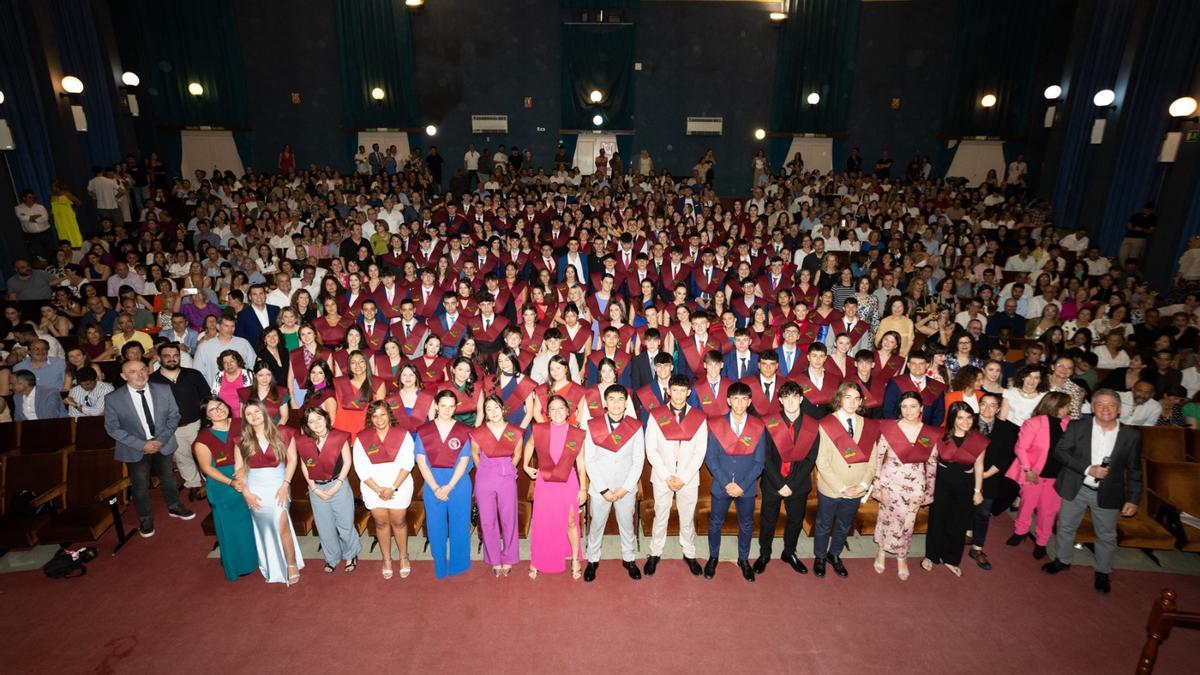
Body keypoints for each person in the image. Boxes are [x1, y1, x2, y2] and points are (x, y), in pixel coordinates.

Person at [1043, 389, 1143, 595]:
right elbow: (1060, 452)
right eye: (1100, 404)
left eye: (1111, 405)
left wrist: (1133, 499)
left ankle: (1103, 571)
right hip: (1076, 486)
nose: (1105, 409)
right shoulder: (1078, 427)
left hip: (1108, 492)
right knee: (1065, 526)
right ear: (1093, 408)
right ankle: (1062, 560)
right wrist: (1088, 469)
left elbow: (1134, 469)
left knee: (1106, 535)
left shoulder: (1131, 435)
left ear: (1119, 409)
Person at [104, 359, 194, 537]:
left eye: (143, 369)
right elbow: (112, 428)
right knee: (140, 485)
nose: (140, 374)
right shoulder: (113, 399)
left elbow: (174, 416)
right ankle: (145, 517)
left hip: (163, 443)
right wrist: (142, 444)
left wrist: (160, 440)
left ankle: (174, 506)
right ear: (123, 376)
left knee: (168, 478)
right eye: (133, 371)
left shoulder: (163, 389)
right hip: (135, 448)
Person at [813, 381, 881, 578]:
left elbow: (873, 458)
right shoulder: (826, 424)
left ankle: (834, 554)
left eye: (856, 398)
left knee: (844, 524)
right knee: (824, 524)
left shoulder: (868, 425)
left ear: (861, 402)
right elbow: (822, 461)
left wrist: (862, 484)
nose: (852, 402)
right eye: (848, 397)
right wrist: (842, 487)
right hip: (832, 487)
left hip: (856, 487)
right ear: (839, 398)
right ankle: (819, 557)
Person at [643, 374, 708, 576]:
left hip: (687, 478)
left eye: (683, 391)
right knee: (660, 516)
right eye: (675, 390)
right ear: (668, 391)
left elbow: (700, 451)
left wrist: (683, 477)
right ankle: (655, 552)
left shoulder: (698, 417)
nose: (678, 395)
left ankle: (689, 553)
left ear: (689, 392)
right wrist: (667, 475)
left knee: (687, 518)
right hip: (663, 476)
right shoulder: (657, 415)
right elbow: (651, 449)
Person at [754, 381, 820, 576]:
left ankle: (789, 552)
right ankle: (764, 553)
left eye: (794, 398)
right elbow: (764, 456)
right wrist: (780, 483)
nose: (791, 402)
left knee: (795, 520)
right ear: (780, 400)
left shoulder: (811, 426)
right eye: (786, 398)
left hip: (798, 485)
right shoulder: (770, 423)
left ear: (801, 399)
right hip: (773, 482)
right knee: (768, 520)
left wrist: (790, 484)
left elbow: (810, 459)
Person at [703, 382, 766, 582]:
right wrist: (725, 483)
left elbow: (759, 462)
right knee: (715, 523)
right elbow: (710, 459)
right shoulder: (716, 424)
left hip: (745, 488)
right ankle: (713, 557)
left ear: (749, 402)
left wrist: (742, 486)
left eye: (744, 399)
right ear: (728, 400)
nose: (739, 403)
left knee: (746, 524)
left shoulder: (758, 426)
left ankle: (743, 559)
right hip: (721, 486)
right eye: (735, 398)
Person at [872, 392, 939, 579]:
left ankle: (902, 556)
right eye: (904, 406)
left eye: (913, 406)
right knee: (886, 518)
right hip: (889, 482)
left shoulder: (930, 433)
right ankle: (882, 552)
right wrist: (876, 485)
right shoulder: (890, 429)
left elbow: (932, 464)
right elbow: (878, 457)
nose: (909, 411)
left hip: (916, 485)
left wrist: (929, 491)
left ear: (921, 409)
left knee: (907, 524)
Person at [235, 401, 302, 585]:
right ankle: (272, 564)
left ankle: (291, 563)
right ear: (245, 418)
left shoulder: (284, 432)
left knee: (282, 525)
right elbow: (239, 470)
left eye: (257, 411)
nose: (254, 416)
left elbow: (292, 459)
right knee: (266, 529)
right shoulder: (242, 440)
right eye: (249, 414)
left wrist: (285, 485)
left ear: (264, 412)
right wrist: (246, 493)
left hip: (279, 483)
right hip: (255, 487)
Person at [582, 384, 645, 582]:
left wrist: (625, 488)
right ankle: (592, 560)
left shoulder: (635, 426)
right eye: (612, 399)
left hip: (625, 487)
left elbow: (638, 459)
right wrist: (603, 488)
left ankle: (629, 558)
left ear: (626, 403)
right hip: (601, 488)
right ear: (604, 403)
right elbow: (589, 459)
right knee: (596, 525)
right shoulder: (593, 425)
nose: (616, 403)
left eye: (620, 399)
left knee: (627, 524)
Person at [191, 398, 258, 580]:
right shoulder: (203, 439)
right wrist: (231, 482)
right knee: (234, 527)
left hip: (249, 474)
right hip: (223, 484)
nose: (218, 410)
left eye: (220, 405)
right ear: (206, 416)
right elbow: (207, 468)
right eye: (212, 409)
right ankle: (239, 564)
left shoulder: (242, 423)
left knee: (252, 523)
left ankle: (258, 557)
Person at [922, 402, 990, 577]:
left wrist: (978, 490)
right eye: (960, 417)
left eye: (969, 417)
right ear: (953, 418)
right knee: (937, 519)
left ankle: (951, 559)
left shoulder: (978, 439)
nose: (966, 422)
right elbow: (930, 461)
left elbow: (980, 466)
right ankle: (931, 556)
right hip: (942, 481)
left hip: (965, 483)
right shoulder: (940, 435)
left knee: (959, 522)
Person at [525, 395, 588, 579]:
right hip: (545, 482)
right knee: (543, 521)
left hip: (568, 481)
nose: (557, 412)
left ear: (568, 411)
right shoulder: (540, 429)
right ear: (547, 413)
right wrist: (526, 465)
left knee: (570, 520)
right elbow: (529, 445)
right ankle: (537, 559)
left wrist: (583, 488)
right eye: (552, 408)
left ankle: (575, 558)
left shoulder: (576, 433)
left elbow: (581, 462)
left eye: (561, 408)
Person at [414, 390, 474, 579]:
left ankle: (459, 563)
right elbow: (421, 462)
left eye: (451, 406)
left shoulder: (464, 430)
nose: (447, 410)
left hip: (458, 483)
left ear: (456, 407)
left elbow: (464, 461)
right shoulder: (424, 430)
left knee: (460, 524)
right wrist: (435, 488)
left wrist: (448, 487)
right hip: (433, 483)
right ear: (436, 406)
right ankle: (440, 563)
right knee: (435, 526)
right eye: (443, 405)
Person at [1005, 392, 1073, 559]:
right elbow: (1021, 448)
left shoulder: (1070, 424)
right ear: (1055, 407)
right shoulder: (1034, 423)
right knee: (1027, 505)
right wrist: (1028, 470)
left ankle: (1042, 542)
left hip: (1056, 475)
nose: (1069, 409)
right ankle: (1020, 532)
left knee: (1048, 511)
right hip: (1033, 473)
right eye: (1066, 406)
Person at [353, 400, 416, 580]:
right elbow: (361, 468)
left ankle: (404, 557)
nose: (379, 419)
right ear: (370, 419)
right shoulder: (362, 438)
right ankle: (387, 559)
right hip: (373, 488)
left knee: (399, 522)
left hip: (399, 485)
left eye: (382, 414)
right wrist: (379, 489)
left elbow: (407, 463)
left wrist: (393, 488)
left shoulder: (403, 435)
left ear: (389, 415)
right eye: (374, 416)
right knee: (380, 523)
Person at [296, 406, 359, 575]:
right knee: (325, 527)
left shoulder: (339, 437)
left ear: (326, 418)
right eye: (311, 421)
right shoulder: (304, 442)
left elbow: (347, 462)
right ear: (307, 425)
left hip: (338, 485)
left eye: (319, 419)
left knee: (345, 525)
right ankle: (332, 558)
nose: (316, 424)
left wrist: (338, 483)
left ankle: (351, 555)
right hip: (317, 488)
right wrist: (314, 488)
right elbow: (304, 466)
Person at [149, 343, 210, 501]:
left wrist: (207, 421)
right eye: (167, 356)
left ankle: (213, 484)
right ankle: (194, 484)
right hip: (172, 429)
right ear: (159, 358)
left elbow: (207, 396)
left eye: (175, 355)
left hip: (197, 424)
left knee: (207, 456)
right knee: (183, 458)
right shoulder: (152, 380)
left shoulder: (193, 374)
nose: (172, 359)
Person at [471, 395, 523, 576]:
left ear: (502, 408)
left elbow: (517, 454)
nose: (493, 412)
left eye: (495, 407)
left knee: (509, 518)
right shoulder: (479, 433)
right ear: (484, 413)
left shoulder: (514, 431)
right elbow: (475, 455)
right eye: (488, 409)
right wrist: (486, 470)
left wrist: (507, 468)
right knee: (487, 520)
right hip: (485, 477)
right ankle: (494, 558)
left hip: (506, 476)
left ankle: (509, 557)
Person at [968, 392, 1019, 570]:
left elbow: (1006, 457)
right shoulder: (967, 420)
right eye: (983, 404)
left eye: (992, 405)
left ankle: (977, 548)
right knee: (961, 510)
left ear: (998, 409)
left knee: (982, 513)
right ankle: (962, 536)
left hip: (990, 477)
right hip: (965, 474)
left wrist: (983, 475)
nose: (987, 408)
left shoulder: (1008, 429)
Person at [15, 190, 55, 262]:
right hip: (32, 235)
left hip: (46, 232)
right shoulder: (18, 208)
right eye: (30, 197)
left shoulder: (40, 207)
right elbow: (22, 218)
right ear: (24, 198)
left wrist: (29, 218)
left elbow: (45, 218)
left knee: (51, 251)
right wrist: (37, 216)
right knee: (39, 254)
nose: (32, 199)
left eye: (33, 197)